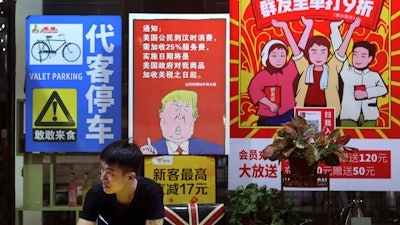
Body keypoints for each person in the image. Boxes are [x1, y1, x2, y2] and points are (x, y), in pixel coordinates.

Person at [272, 16, 361, 119]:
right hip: (304, 111)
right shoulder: (305, 67)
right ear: (308, 53)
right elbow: (295, 49)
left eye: (323, 52)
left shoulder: (332, 67)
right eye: (314, 52)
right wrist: (285, 27)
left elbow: (341, 51)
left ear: (328, 54)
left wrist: (352, 28)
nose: (318, 56)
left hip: (328, 112)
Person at [77, 139, 165, 225]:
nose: (103, 178)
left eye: (110, 173)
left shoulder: (151, 191)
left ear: (130, 177)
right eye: (102, 169)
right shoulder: (95, 194)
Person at [330, 21, 388, 127]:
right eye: (355, 54)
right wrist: (334, 29)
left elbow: (383, 89)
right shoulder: (346, 70)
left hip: (370, 115)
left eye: (363, 56)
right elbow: (339, 51)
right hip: (348, 115)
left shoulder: (374, 75)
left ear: (370, 58)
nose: (357, 59)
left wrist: (367, 93)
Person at [140, 89, 224, 155]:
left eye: (186, 109)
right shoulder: (148, 151)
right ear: (161, 115)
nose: (180, 115)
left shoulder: (215, 149)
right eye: (175, 108)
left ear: (194, 117)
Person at [247, 39, 299, 126]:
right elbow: (253, 90)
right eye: (274, 56)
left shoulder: (289, 71)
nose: (279, 59)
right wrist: (269, 104)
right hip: (267, 116)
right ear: (267, 56)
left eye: (282, 56)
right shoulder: (261, 75)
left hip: (288, 113)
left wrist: (308, 28)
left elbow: (297, 51)